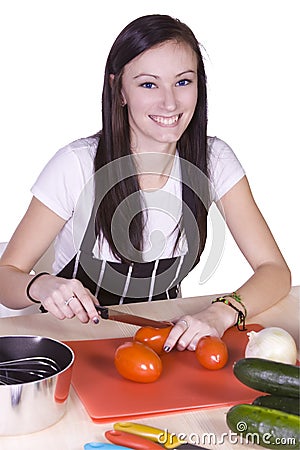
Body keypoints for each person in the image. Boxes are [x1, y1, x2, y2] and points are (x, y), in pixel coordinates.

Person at [0, 14, 290, 352]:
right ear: (119, 90)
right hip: (71, 339)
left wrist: (222, 313)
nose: (170, 102)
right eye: (148, 84)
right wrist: (42, 285)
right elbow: (6, 274)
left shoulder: (215, 161)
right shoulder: (76, 165)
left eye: (183, 82)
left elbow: (275, 271)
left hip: (156, 338)